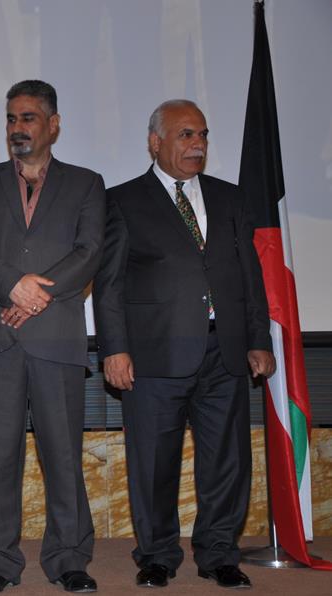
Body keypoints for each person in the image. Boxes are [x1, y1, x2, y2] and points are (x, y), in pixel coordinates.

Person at [93, 99, 275, 589]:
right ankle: (157, 555)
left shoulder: (230, 198)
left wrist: (258, 338)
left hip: (225, 352)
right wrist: (114, 349)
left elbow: (250, 275)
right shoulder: (122, 201)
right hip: (153, 355)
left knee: (227, 461)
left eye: (203, 135)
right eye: (186, 135)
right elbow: (108, 284)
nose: (198, 144)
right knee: (154, 462)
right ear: (155, 142)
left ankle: (219, 555)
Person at [0, 80, 104, 594]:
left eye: (29, 118)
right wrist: (13, 287)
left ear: (53, 125)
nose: (17, 127)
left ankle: (70, 559)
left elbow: (90, 251)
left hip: (57, 337)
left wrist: (36, 295)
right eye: (11, 119)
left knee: (63, 456)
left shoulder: (86, 184)